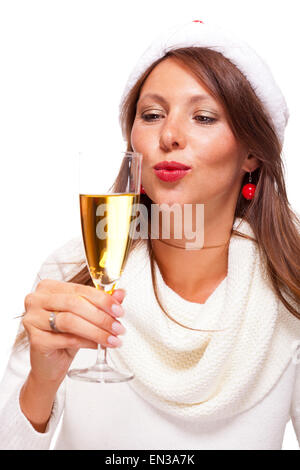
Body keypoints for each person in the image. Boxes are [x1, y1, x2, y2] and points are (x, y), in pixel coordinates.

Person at [0, 20, 300, 451]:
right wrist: (41, 382)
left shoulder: (290, 290)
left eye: (203, 116)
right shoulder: (73, 272)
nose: (169, 136)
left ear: (252, 153)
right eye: (152, 115)